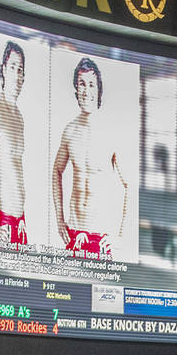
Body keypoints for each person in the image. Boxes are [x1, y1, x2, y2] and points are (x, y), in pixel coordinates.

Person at [52, 56, 129, 258]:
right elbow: (57, 170)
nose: (86, 90)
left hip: (101, 234)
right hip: (75, 232)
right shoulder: (70, 130)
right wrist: (60, 219)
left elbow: (129, 184)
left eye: (91, 84)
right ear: (76, 88)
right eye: (82, 84)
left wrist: (119, 234)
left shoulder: (111, 130)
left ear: (98, 89)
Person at [0, 41, 29, 246]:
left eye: (21, 70)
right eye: (13, 67)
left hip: (20, 221)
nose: (18, 75)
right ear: (3, 69)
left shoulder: (18, 116)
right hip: (2, 220)